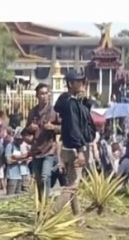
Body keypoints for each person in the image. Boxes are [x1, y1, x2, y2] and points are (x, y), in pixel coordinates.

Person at [53, 69, 93, 215]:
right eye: (79, 81)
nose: (82, 83)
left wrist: (84, 99)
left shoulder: (70, 101)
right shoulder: (70, 104)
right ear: (70, 84)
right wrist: (81, 151)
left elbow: (84, 116)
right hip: (75, 149)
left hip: (68, 148)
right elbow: (75, 128)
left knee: (72, 182)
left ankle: (78, 217)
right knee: (73, 186)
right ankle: (49, 215)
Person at [25, 83, 59, 202]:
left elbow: (63, 128)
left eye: (46, 93)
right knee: (38, 180)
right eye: (41, 94)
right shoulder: (32, 112)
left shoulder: (54, 111)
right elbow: (25, 131)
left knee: (45, 177)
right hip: (36, 150)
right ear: (37, 96)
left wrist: (53, 128)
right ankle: (41, 203)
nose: (44, 96)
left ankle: (46, 202)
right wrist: (30, 128)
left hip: (49, 149)